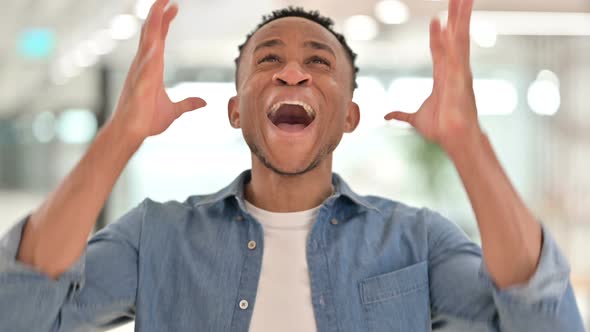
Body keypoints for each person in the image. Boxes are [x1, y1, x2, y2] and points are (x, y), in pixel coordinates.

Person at [0, 0, 584, 330]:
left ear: (350, 116)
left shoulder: (416, 241)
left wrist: (468, 142)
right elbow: (20, 310)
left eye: (318, 61)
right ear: (235, 110)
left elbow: (544, 322)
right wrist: (120, 135)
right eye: (269, 58)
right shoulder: (157, 238)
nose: (292, 72)